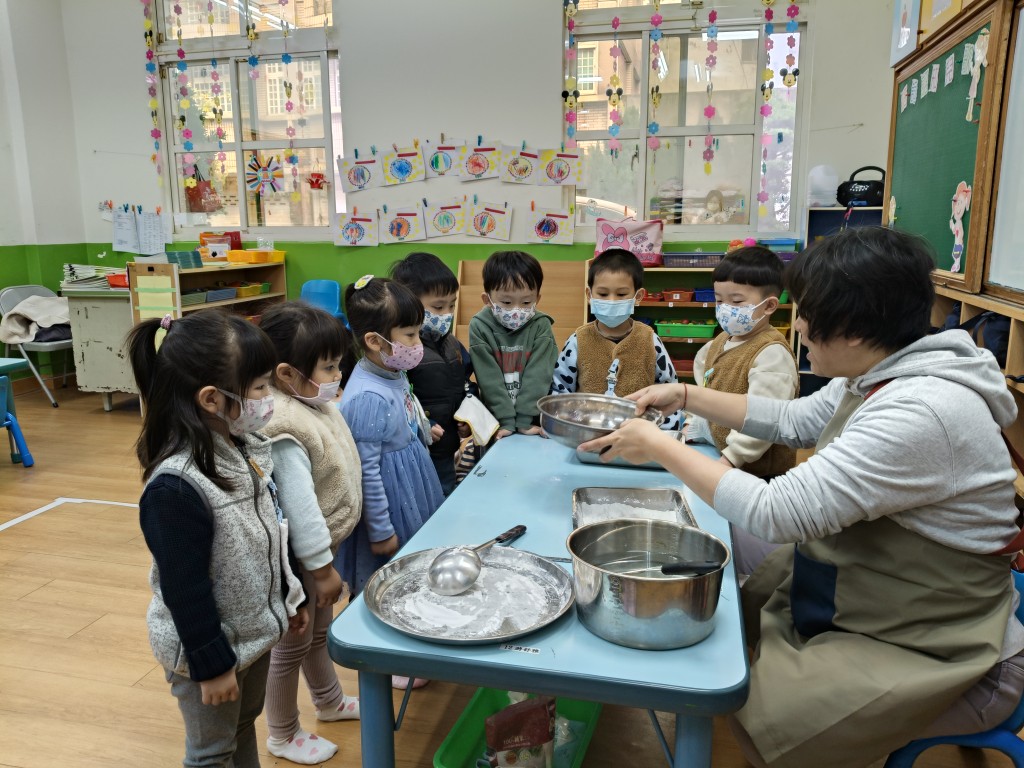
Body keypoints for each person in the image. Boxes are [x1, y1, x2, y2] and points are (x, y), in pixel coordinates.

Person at [580, 226, 1024, 768]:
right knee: (733, 595)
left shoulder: (921, 411)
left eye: (809, 313)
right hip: (883, 597)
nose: (800, 326)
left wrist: (658, 446)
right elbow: (793, 419)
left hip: (948, 648)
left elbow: (776, 512)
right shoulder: (881, 370)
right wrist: (687, 394)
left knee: (760, 717)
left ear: (855, 328)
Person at [128, 310, 308, 768]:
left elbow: (272, 529)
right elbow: (184, 588)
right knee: (212, 753)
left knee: (243, 727)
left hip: (254, 635)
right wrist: (211, 665)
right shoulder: (175, 487)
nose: (269, 398)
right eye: (261, 387)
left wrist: (292, 596)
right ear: (211, 399)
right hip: (208, 650)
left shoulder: (244, 449)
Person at [259, 303, 363, 765]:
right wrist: (320, 570)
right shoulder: (284, 425)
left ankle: (329, 701)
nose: (338, 376)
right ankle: (282, 733)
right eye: (329, 367)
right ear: (286, 374)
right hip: (300, 560)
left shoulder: (310, 402)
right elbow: (300, 510)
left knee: (319, 634)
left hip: (320, 552)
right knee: (291, 647)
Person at [339, 275, 444, 688]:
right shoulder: (367, 396)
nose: (418, 343)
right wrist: (380, 529)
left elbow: (403, 410)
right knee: (386, 579)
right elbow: (366, 471)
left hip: (409, 481)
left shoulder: (389, 371)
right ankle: (388, 659)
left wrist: (422, 428)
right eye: (410, 335)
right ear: (374, 341)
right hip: (390, 497)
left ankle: (406, 645)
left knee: (408, 573)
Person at [688, 245, 798, 480]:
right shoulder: (721, 340)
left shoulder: (772, 354)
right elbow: (705, 385)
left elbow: (765, 419)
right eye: (719, 301)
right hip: (720, 455)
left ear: (769, 306)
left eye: (736, 301)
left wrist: (730, 459)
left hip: (758, 474)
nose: (725, 310)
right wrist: (695, 424)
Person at [550, 247, 683, 430]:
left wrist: (665, 433)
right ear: (589, 295)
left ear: (638, 296)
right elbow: (560, 390)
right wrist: (562, 425)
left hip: (639, 435)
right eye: (603, 294)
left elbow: (670, 391)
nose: (611, 301)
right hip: (587, 432)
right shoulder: (577, 341)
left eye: (621, 294)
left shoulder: (650, 340)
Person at [390, 252, 474, 495]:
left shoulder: (452, 344)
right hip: (419, 448)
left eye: (452, 305)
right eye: (438, 306)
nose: (446, 313)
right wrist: (424, 424)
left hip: (447, 445)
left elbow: (466, 383)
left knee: (445, 492)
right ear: (408, 303)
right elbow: (397, 400)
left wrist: (467, 417)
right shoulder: (402, 351)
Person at [469, 250, 558, 438]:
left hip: (532, 419)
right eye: (507, 302)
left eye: (526, 302)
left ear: (537, 299)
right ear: (487, 300)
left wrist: (524, 420)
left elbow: (539, 375)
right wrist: (505, 421)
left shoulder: (541, 325)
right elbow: (489, 379)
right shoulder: (479, 326)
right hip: (495, 421)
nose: (516, 310)